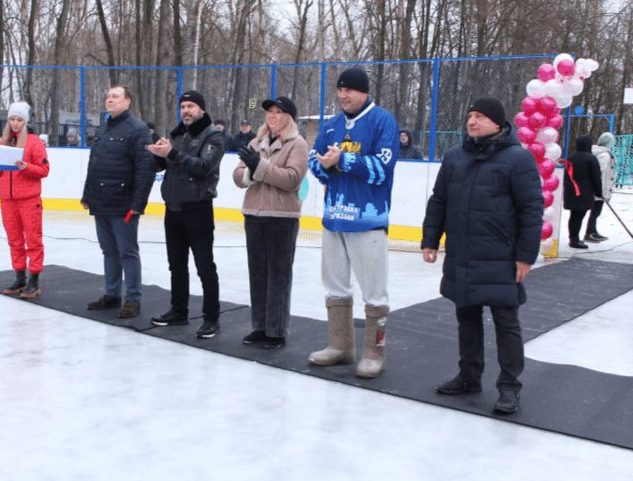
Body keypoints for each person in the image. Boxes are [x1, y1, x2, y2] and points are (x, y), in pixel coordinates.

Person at [421, 96, 544, 415]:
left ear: (497, 122)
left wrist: (525, 255)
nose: (471, 121)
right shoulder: (454, 157)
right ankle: (469, 376)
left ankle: (509, 387)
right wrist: (430, 238)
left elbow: (531, 209)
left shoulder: (518, 159)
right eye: (469, 116)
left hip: (501, 257)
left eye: (479, 116)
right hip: (462, 254)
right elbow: (439, 201)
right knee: (467, 316)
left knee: (506, 321)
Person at [307, 67, 400, 378]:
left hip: (368, 221)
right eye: (340, 89)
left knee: (374, 292)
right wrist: (325, 166)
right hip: (334, 219)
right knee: (334, 284)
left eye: (350, 90)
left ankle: (375, 351)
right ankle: (340, 345)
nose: (343, 95)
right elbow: (313, 159)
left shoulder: (383, 121)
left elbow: (382, 168)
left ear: (364, 92)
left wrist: (343, 161)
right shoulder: (332, 125)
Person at [147, 90, 225, 339]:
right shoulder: (175, 134)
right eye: (182, 106)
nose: (186, 111)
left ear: (201, 109)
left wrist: (170, 153)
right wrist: (156, 156)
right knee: (176, 265)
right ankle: (178, 310)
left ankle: (211, 318)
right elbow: (164, 165)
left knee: (204, 266)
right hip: (173, 207)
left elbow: (203, 167)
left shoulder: (214, 135)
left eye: (191, 106)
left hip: (198, 208)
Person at [233, 96, 308, 349]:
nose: (272, 116)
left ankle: (276, 331)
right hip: (254, 214)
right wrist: (252, 171)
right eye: (270, 112)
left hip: (282, 219)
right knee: (258, 274)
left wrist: (259, 166)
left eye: (278, 112)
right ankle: (260, 327)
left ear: (288, 117)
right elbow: (237, 175)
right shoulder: (257, 141)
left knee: (278, 275)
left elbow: (292, 179)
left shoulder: (298, 144)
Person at [81, 85, 154, 317]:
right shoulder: (103, 128)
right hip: (101, 201)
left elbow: (145, 170)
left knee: (127, 252)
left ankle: (133, 298)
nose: (109, 99)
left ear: (128, 101)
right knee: (109, 251)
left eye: (115, 96)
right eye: (108, 95)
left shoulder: (137, 129)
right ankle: (112, 294)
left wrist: (137, 204)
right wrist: (87, 194)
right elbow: (95, 163)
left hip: (123, 203)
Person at [0, 101, 50, 298]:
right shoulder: (4, 142)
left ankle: (34, 278)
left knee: (33, 239)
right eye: (12, 119)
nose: (15, 123)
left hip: (29, 199)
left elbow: (44, 170)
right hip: (7, 199)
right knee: (14, 240)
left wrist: (27, 167)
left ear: (25, 121)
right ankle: (19, 276)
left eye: (19, 120)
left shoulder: (34, 142)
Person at [563, 135, 602, 249]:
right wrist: (599, 192)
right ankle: (575, 239)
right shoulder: (591, 158)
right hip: (584, 192)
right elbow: (596, 177)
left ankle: (573, 237)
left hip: (571, 191)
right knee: (579, 216)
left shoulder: (571, 157)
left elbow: (567, 175)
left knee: (574, 215)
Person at [584, 132, 615, 242]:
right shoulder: (604, 155)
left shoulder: (596, 152)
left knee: (595, 210)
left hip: (595, 187)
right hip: (600, 188)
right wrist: (600, 190)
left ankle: (593, 231)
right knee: (596, 211)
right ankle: (588, 233)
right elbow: (601, 173)